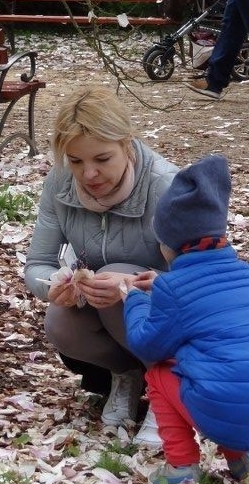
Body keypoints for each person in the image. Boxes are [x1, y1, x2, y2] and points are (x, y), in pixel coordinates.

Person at [121, 154, 249, 484]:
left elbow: (146, 343)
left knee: (159, 375)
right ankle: (242, 461)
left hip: (225, 408)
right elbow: (213, 310)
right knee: (225, 370)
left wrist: (135, 299)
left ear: (170, 245)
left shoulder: (174, 287)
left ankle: (182, 467)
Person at [24, 87, 179, 445]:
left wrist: (135, 282)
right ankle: (125, 374)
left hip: (172, 316)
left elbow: (203, 278)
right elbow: (38, 263)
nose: (88, 174)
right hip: (109, 312)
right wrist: (54, 285)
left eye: (102, 159)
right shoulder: (60, 183)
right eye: (75, 161)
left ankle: (167, 389)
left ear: (126, 143)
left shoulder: (165, 185)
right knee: (60, 321)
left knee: (119, 278)